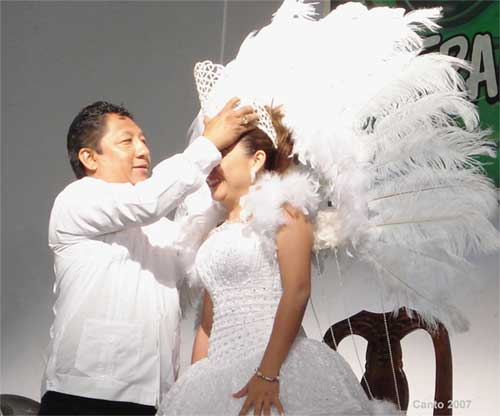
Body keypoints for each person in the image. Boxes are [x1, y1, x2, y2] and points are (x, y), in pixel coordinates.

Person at [157, 107, 403, 416]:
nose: (210, 167)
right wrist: (196, 389)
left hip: (278, 365)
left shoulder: (287, 214)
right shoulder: (214, 234)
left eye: (221, 155)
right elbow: (208, 321)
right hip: (219, 372)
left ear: (256, 159)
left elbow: (297, 290)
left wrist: (267, 373)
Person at [38, 98, 258, 415]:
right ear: (89, 157)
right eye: (126, 141)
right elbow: (149, 201)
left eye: (143, 140)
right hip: (85, 393)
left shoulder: (158, 228)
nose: (142, 150)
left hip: (154, 398)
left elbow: (193, 240)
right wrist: (209, 143)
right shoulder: (76, 200)